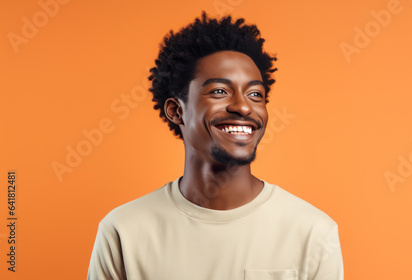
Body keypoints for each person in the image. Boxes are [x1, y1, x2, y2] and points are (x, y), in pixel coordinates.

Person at [87, 11, 343, 280]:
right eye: (219, 91)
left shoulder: (313, 232)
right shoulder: (124, 231)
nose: (243, 106)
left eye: (256, 94)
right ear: (176, 111)